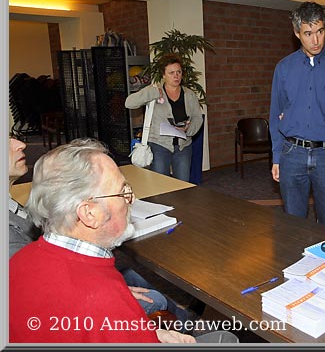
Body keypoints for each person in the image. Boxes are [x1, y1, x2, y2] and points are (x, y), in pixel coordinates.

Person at [7, 136, 190, 323]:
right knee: (155, 299)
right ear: (89, 213)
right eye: (122, 191)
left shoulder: (22, 256)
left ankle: (186, 320)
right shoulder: (101, 302)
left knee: (129, 274)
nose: (131, 199)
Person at [269, 1, 325, 227]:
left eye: (320, 31)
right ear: (297, 33)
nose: (316, 40)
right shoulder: (283, 68)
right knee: (293, 222)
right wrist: (277, 156)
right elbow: (275, 113)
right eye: (308, 33)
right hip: (291, 154)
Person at [125, 53, 203, 182]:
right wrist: (152, 93)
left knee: (183, 184)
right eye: (171, 73)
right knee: (160, 183)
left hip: (183, 145)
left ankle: (180, 203)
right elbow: (129, 103)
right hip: (159, 144)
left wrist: (189, 129)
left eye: (178, 72)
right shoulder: (154, 90)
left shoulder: (189, 94)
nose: (176, 76)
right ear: (163, 75)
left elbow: (197, 117)